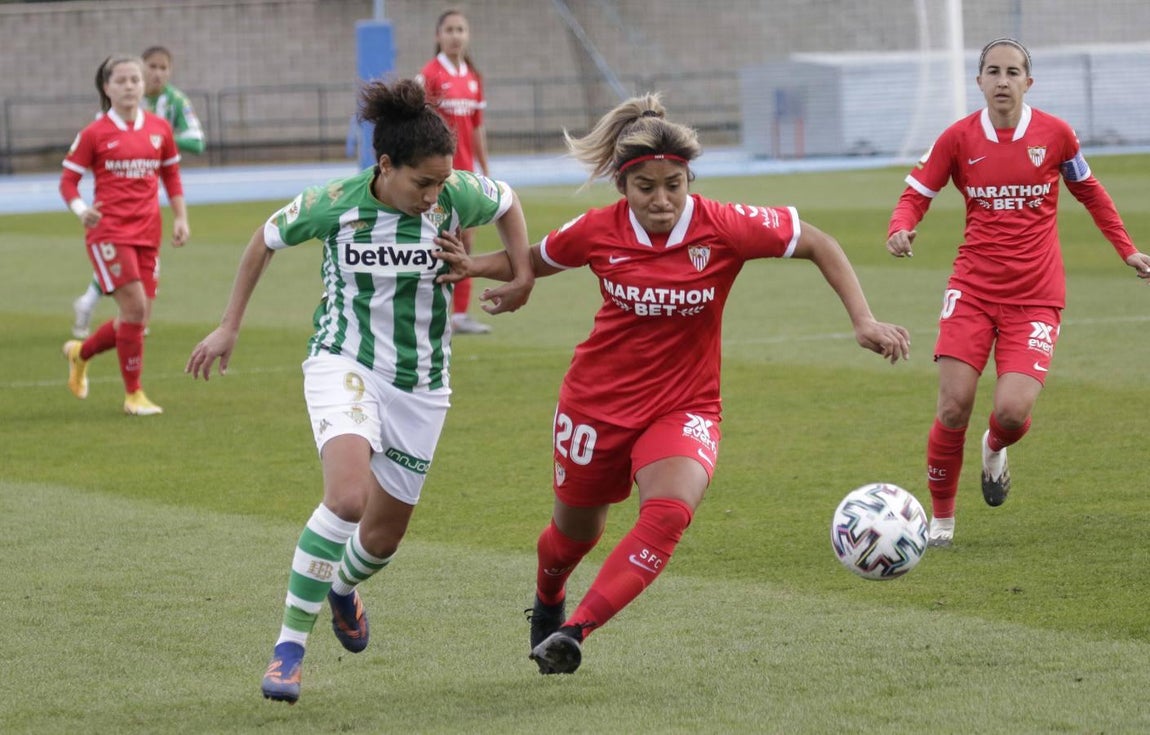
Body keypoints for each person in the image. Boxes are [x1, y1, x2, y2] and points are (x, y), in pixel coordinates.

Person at [435, 93, 911, 675]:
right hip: (595, 406)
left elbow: (816, 241)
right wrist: (475, 265)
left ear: (689, 180)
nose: (661, 200)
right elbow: (534, 258)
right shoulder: (597, 229)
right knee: (572, 537)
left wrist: (863, 319)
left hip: (685, 405)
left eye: (674, 185)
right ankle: (550, 595)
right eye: (646, 188)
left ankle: (575, 630)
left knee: (668, 515)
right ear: (621, 185)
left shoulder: (724, 226)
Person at [185, 78, 534, 704]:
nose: (433, 196)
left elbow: (507, 202)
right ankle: (288, 651)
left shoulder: (456, 193)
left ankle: (342, 587)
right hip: (343, 360)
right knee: (348, 498)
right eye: (422, 183)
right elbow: (264, 240)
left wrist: (520, 274)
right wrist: (229, 324)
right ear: (385, 165)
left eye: (441, 183)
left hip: (422, 384)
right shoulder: (334, 205)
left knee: (381, 539)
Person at [885, 38, 1150, 548]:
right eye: (993, 71)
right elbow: (916, 194)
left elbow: (1090, 192)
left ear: (1028, 82)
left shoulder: (1056, 135)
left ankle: (994, 447)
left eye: (1012, 72)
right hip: (972, 290)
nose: (1002, 80)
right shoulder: (957, 138)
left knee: (1011, 412)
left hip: (1036, 295)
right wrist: (900, 227)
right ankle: (942, 522)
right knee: (953, 407)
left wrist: (1127, 249)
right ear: (979, 81)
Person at [61, 53, 190, 416]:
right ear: (107, 87)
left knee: (138, 318)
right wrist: (81, 209)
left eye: (135, 79)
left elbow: (171, 175)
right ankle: (134, 395)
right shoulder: (94, 133)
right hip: (108, 233)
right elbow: (68, 181)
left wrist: (181, 217)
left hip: (148, 232)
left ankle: (80, 353)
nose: (130, 86)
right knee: (134, 308)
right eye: (121, 81)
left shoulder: (159, 128)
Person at [72, 45, 206, 339]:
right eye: (152, 67)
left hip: (147, 213)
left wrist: (155, 141)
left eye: (163, 68)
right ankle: (90, 307)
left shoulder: (175, 102)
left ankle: (83, 344)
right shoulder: (115, 111)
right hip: (112, 214)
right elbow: (80, 165)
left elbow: (197, 142)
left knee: (138, 315)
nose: (157, 73)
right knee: (133, 304)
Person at [415, 8, 493, 334]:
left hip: (465, 175)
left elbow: (476, 128)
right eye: (449, 30)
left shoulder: (473, 78)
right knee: (432, 243)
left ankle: (459, 314)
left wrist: (484, 169)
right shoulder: (429, 76)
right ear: (438, 35)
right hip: (436, 176)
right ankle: (427, 312)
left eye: (460, 29)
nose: (455, 35)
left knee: (465, 243)